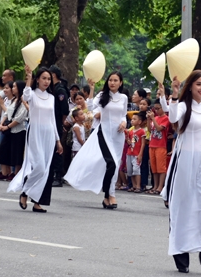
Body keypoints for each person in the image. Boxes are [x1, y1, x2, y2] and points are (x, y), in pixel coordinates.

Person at [162, 70, 201, 274]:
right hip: (185, 163)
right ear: (191, 86)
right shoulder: (183, 106)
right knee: (183, 209)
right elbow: (172, 118)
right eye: (199, 84)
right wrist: (175, 94)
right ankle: (181, 255)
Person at [64, 71, 127, 209]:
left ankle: (109, 195)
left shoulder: (123, 98)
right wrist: (92, 89)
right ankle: (109, 194)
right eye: (110, 80)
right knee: (110, 163)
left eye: (116, 80)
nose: (112, 83)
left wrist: (124, 122)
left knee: (116, 164)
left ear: (120, 83)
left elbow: (123, 115)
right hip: (104, 133)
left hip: (118, 136)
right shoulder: (102, 95)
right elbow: (91, 107)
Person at [8, 66, 62, 213]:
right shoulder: (31, 94)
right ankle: (25, 191)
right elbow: (25, 96)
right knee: (38, 166)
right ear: (38, 79)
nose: (46, 81)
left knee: (45, 170)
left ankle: (37, 201)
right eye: (43, 78)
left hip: (49, 134)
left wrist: (57, 140)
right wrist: (29, 77)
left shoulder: (51, 98)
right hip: (35, 132)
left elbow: (52, 120)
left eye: (48, 79)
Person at [0, 81, 28, 180]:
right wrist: (1, 123)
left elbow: (19, 118)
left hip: (19, 130)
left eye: (14, 87)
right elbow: (7, 113)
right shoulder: (14, 99)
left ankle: (16, 173)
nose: (12, 88)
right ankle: (5, 172)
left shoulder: (23, 101)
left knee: (17, 153)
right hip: (10, 130)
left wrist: (8, 126)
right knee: (4, 150)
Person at [47, 65, 69, 187]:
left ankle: (58, 176)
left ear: (53, 75)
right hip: (50, 121)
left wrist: (62, 123)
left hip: (57, 122)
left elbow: (64, 110)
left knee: (58, 149)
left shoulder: (60, 90)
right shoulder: (52, 89)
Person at [147, 96, 170, 194]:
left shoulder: (166, 118)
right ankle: (155, 186)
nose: (156, 110)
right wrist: (149, 119)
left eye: (158, 108)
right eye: (155, 108)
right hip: (152, 144)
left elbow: (159, 128)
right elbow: (149, 129)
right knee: (154, 168)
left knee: (161, 168)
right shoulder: (155, 117)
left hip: (161, 145)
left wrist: (153, 119)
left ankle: (160, 186)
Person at [126, 111, 147, 191]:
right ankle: (134, 185)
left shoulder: (141, 131)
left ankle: (138, 185)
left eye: (134, 119)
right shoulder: (131, 132)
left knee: (136, 169)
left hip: (136, 154)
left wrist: (140, 154)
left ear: (139, 121)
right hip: (129, 153)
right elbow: (131, 142)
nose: (132, 121)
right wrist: (128, 140)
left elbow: (142, 144)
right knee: (130, 170)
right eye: (132, 119)